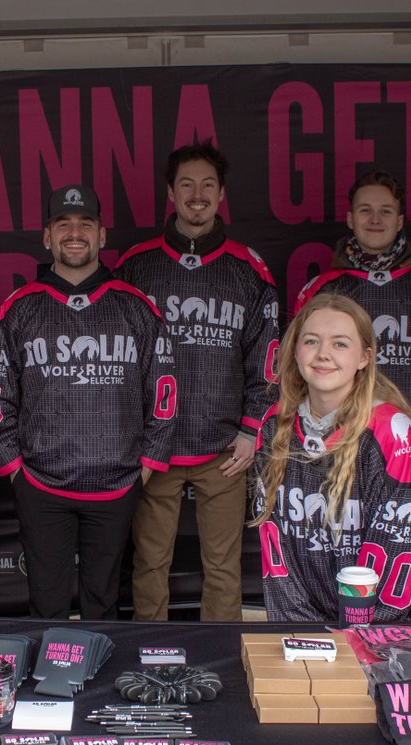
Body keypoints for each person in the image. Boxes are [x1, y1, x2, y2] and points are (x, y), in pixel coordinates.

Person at [0, 185, 177, 620]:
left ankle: (98, 665)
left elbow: (163, 391)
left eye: (85, 224)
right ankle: (48, 668)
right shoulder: (20, 308)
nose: (75, 234)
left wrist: (146, 465)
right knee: (46, 603)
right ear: (47, 236)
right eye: (63, 225)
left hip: (116, 482)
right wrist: (14, 469)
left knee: (103, 603)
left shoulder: (135, 306)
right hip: (40, 483)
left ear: (102, 235)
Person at [114, 141, 280, 622]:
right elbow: (117, 359)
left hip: (224, 448)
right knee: (150, 563)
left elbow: (267, 360)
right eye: (186, 184)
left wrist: (251, 428)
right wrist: (131, 434)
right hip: (154, 447)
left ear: (222, 193)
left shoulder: (247, 269)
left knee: (223, 568)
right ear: (170, 192)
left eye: (208, 184)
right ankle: (147, 649)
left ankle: (220, 652)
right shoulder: (136, 266)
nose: (197, 194)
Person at [253, 293, 411, 623]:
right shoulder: (273, 426)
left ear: (364, 357)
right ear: (295, 351)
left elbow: (399, 556)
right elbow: (278, 554)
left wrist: (354, 635)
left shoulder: (396, 435)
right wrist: (301, 632)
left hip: (381, 629)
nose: (323, 354)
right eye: (311, 341)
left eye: (340, 344)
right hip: (303, 626)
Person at [295, 171, 411, 495]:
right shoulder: (323, 290)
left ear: (400, 220)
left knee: (408, 530)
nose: (375, 219)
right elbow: (296, 374)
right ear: (350, 219)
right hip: (339, 450)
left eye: (385, 211)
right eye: (365, 210)